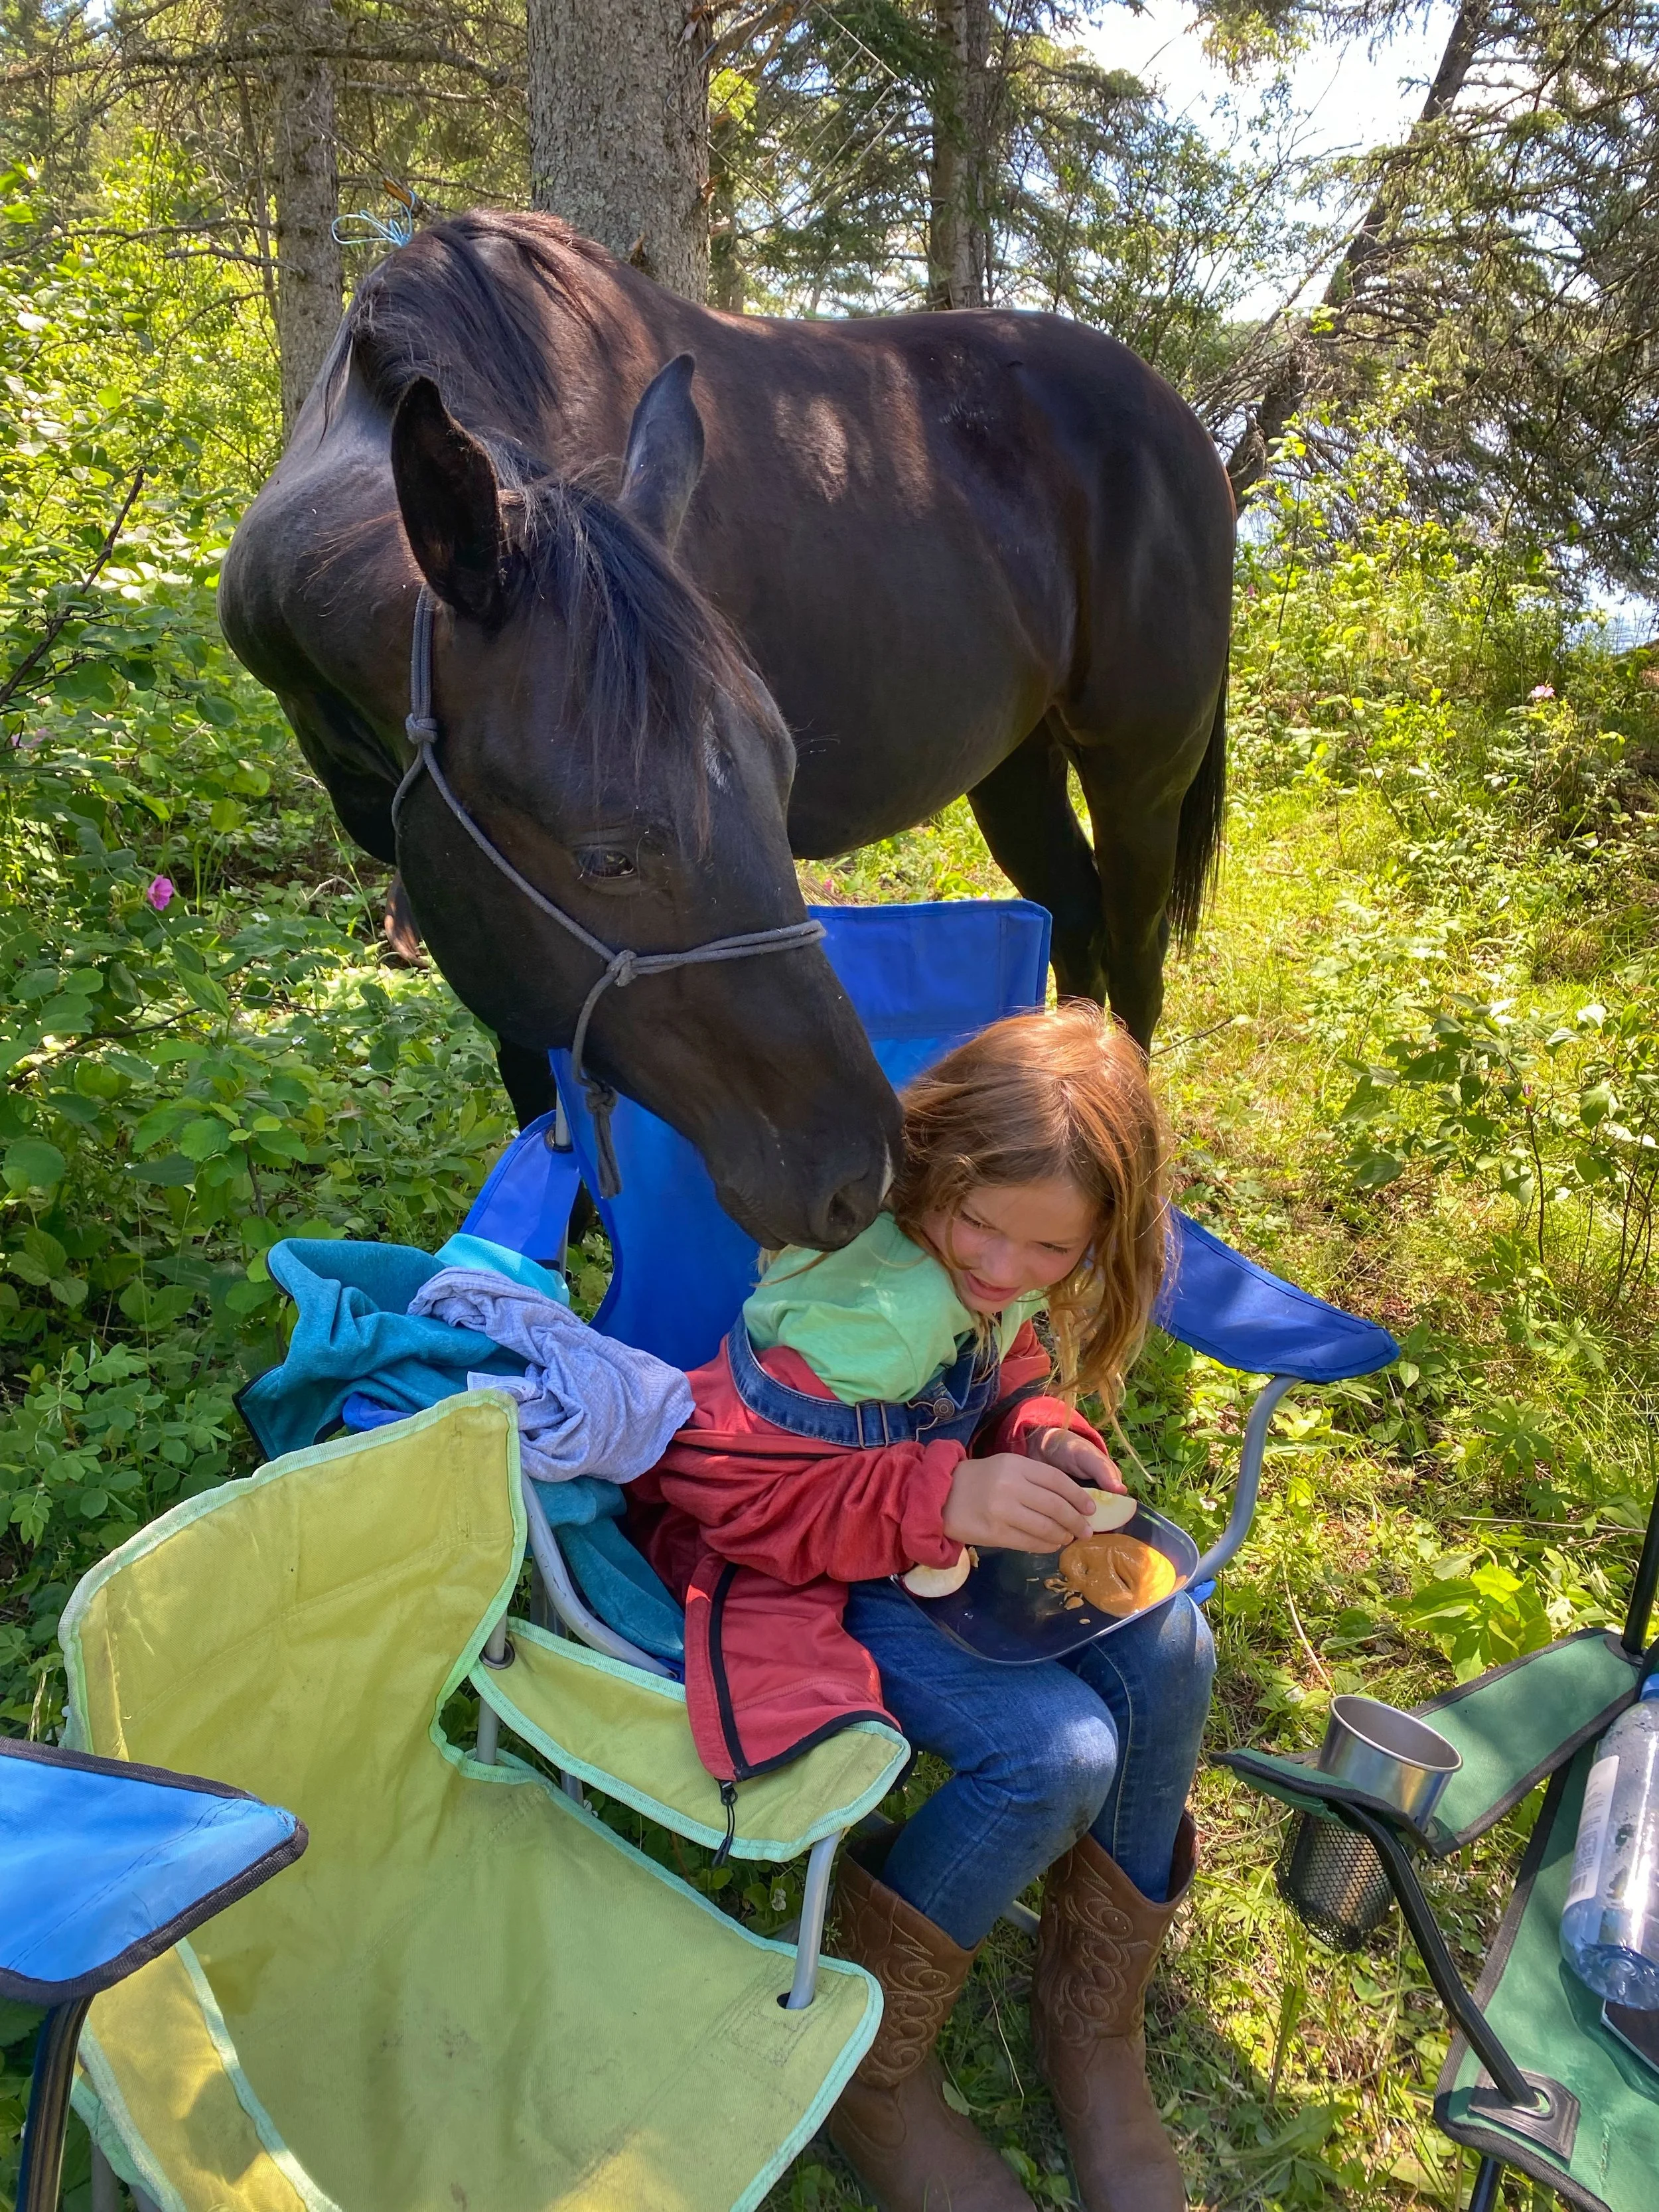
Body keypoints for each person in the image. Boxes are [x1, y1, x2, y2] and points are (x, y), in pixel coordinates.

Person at [626, 1003, 1214, 2212]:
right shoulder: (857, 1308)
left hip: (927, 1544)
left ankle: (1091, 2020)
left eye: (1051, 1251)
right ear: (935, 1163)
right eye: (981, 1226)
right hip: (805, 1572)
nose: (1002, 1270)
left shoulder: (987, 1260)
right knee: (1055, 1754)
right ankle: (873, 2066)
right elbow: (725, 1487)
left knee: (1178, 1642)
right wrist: (942, 1494)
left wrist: (1042, 1434)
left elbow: (1000, 1363)